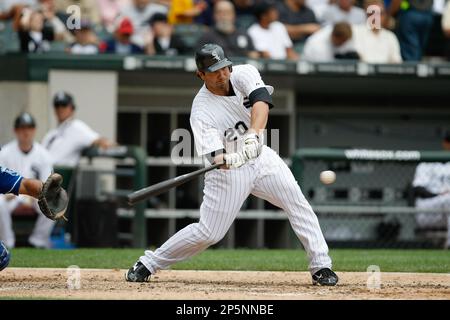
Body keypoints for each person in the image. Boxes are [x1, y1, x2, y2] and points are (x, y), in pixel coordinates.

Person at [125, 43, 338, 286]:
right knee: (209, 233)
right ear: (200, 75)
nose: (222, 74)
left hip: (261, 158)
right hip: (228, 172)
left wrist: (253, 136)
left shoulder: (244, 72)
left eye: (224, 68)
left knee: (297, 204)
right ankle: (149, 263)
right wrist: (230, 159)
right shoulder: (201, 110)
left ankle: (321, 266)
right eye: (214, 71)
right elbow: (216, 157)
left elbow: (261, 103)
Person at [0, 113, 55, 249]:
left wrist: (33, 196)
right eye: (22, 128)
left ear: (34, 130)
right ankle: (7, 242)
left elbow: (46, 186)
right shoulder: (5, 152)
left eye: (29, 128)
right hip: (10, 196)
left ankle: (38, 242)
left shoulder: (43, 154)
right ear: (16, 130)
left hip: (35, 196)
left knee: (53, 200)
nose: (26, 132)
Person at [42, 91, 113, 168]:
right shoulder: (51, 133)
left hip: (60, 175)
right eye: (57, 105)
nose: (60, 108)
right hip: (41, 172)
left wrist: (106, 143)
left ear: (72, 108)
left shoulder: (76, 127)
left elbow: (100, 140)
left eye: (64, 105)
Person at [412, 132, 450, 249]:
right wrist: (440, 194)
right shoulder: (428, 163)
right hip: (429, 209)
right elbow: (418, 189)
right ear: (446, 144)